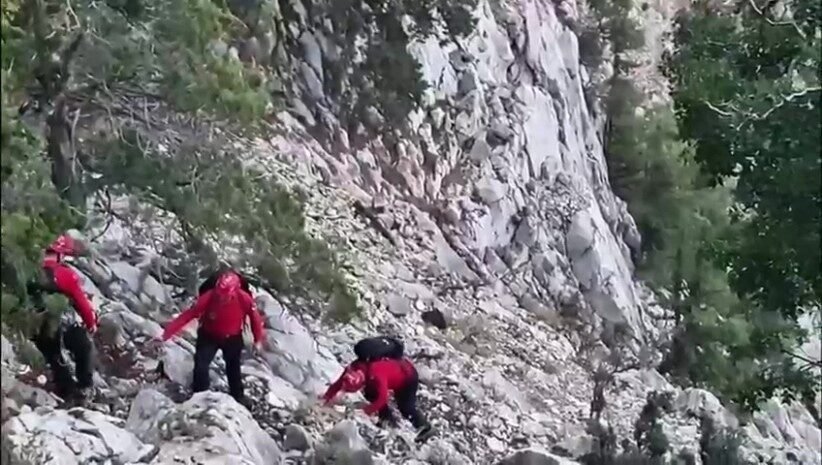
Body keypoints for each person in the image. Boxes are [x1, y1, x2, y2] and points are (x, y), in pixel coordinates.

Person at [160, 270, 266, 406]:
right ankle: (199, 395)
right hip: (209, 335)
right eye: (219, 294)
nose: (221, 298)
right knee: (201, 364)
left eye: (225, 296)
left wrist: (258, 340)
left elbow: (255, 319)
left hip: (232, 337)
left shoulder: (244, 299)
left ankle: (238, 396)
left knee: (233, 368)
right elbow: (188, 315)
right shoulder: (209, 297)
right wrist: (166, 333)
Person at [26, 232, 98, 402]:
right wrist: (91, 324)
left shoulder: (29, 271)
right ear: (61, 254)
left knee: (53, 356)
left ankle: (65, 390)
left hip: (33, 326)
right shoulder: (65, 274)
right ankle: (84, 387)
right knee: (83, 346)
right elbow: (82, 305)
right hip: (59, 325)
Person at [322, 355, 435, 443]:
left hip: (407, 376)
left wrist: (366, 411)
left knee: (406, 408)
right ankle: (388, 421)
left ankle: (425, 428)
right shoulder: (352, 369)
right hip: (395, 371)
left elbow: (383, 398)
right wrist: (325, 398)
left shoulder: (376, 374)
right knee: (370, 393)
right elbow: (337, 385)